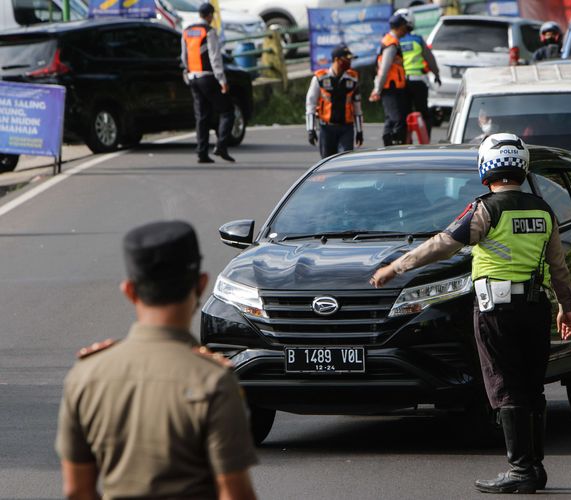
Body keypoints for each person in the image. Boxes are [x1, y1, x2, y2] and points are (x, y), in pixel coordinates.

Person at [370, 133, 571, 494]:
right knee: (531, 388)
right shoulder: (543, 210)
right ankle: (535, 467)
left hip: (498, 311)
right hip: (537, 309)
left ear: (486, 168)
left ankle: (520, 469)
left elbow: (442, 245)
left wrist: (396, 267)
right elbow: (558, 267)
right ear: (522, 166)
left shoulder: (485, 209)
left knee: (505, 385)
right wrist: (567, 307)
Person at [56, 220, 259, 500]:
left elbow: (77, 489)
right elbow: (234, 492)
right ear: (200, 285)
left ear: (129, 291)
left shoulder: (86, 376)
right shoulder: (214, 381)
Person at [182, 2, 235, 163]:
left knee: (202, 116)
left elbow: (184, 57)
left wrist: (188, 73)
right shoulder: (209, 31)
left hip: (193, 78)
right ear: (210, 15)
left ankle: (202, 152)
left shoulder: (187, 31)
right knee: (228, 111)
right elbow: (215, 57)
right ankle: (221, 145)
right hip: (208, 77)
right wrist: (222, 80)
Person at [305, 43, 364, 158]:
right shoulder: (320, 78)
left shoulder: (353, 78)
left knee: (345, 160)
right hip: (326, 128)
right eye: (346, 60)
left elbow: (357, 107)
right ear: (336, 60)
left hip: (346, 128)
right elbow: (310, 104)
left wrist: (359, 131)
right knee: (327, 163)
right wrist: (310, 130)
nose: (349, 63)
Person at [395, 8, 441, 139]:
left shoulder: (394, 41)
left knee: (404, 114)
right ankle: (425, 141)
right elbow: (430, 59)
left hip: (402, 83)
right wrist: (436, 74)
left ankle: (405, 142)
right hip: (419, 81)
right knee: (424, 114)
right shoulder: (417, 40)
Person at [369, 12, 409, 146]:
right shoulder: (391, 44)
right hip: (390, 87)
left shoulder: (389, 41)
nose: (406, 30)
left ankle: (388, 145)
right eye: (405, 26)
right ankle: (394, 146)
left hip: (392, 87)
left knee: (390, 119)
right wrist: (377, 89)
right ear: (399, 27)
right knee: (397, 119)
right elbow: (384, 69)